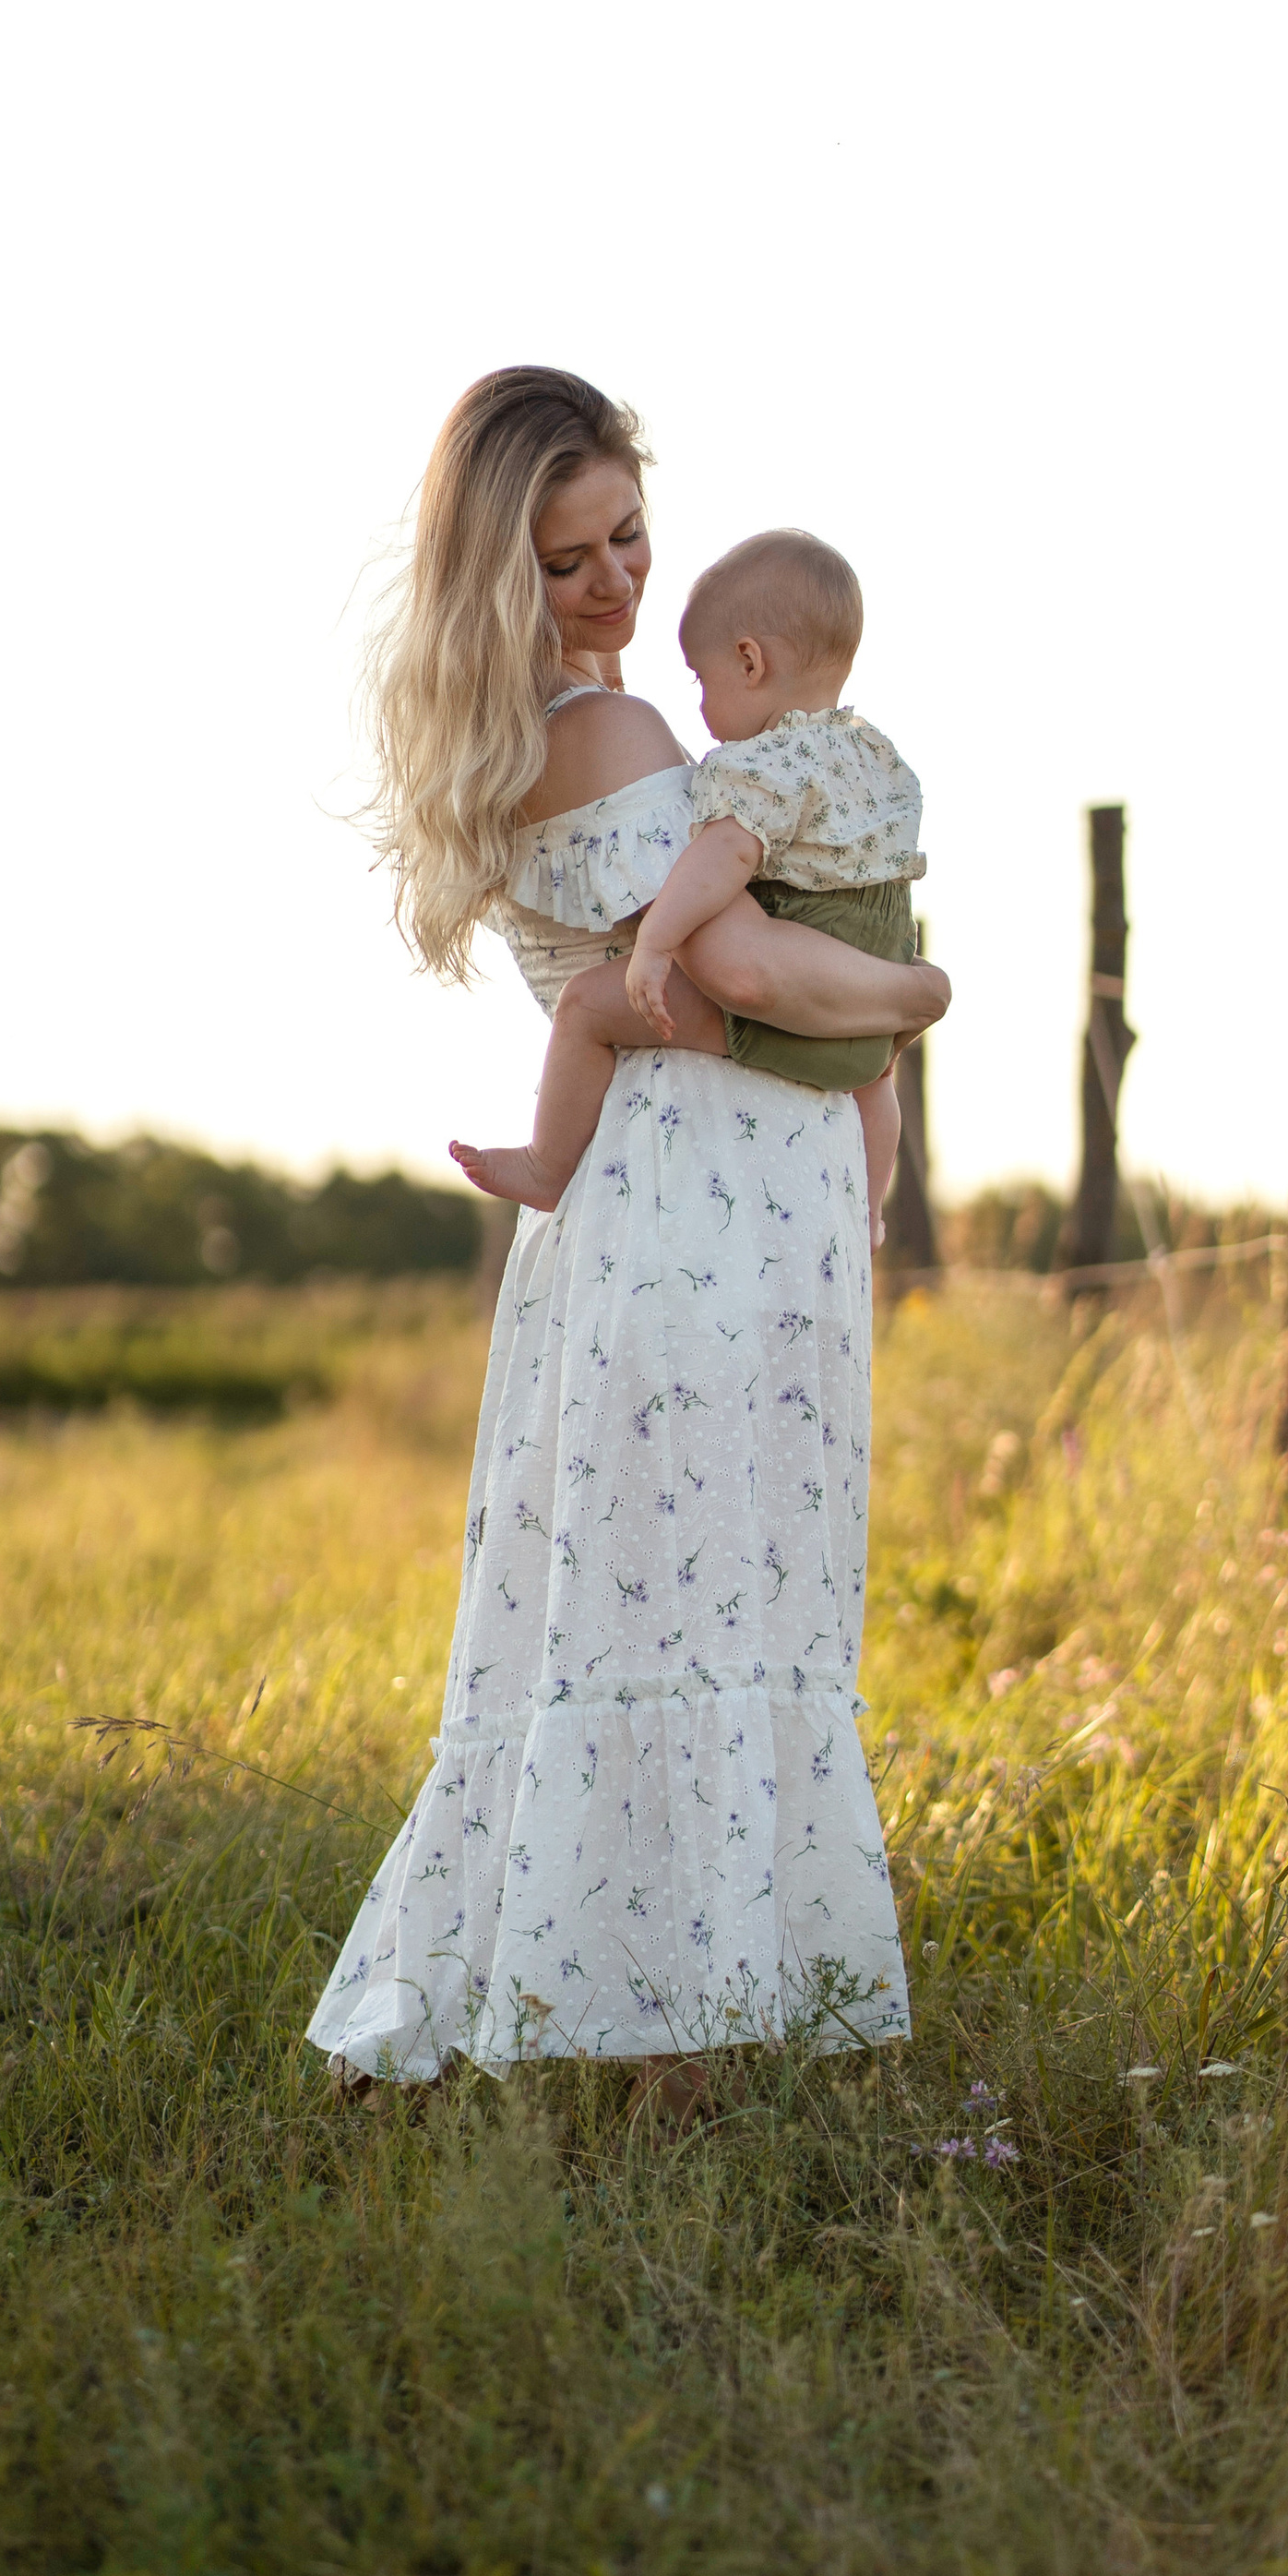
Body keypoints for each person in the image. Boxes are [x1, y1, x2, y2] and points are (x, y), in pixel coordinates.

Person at [304, 366, 939, 2095]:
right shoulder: (613, 742)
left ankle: (664, 2036)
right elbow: (724, 971)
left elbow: (677, 982)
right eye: (566, 557)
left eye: (629, 537)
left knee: (657, 1608)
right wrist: (906, 994)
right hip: (698, 1221)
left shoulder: (557, 737)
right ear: (496, 575)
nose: (612, 584)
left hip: (704, 1213)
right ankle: (673, 2051)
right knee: (691, 1609)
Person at [447, 526, 926, 1245]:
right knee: (877, 1086)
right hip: (880, 943)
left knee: (585, 1006)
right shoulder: (875, 753)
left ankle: (548, 1164)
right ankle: (868, 1213)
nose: (698, 709)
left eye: (702, 682)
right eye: (571, 559)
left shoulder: (761, 765)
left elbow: (726, 860)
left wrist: (659, 940)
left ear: (749, 661)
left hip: (798, 940)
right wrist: (913, 987)